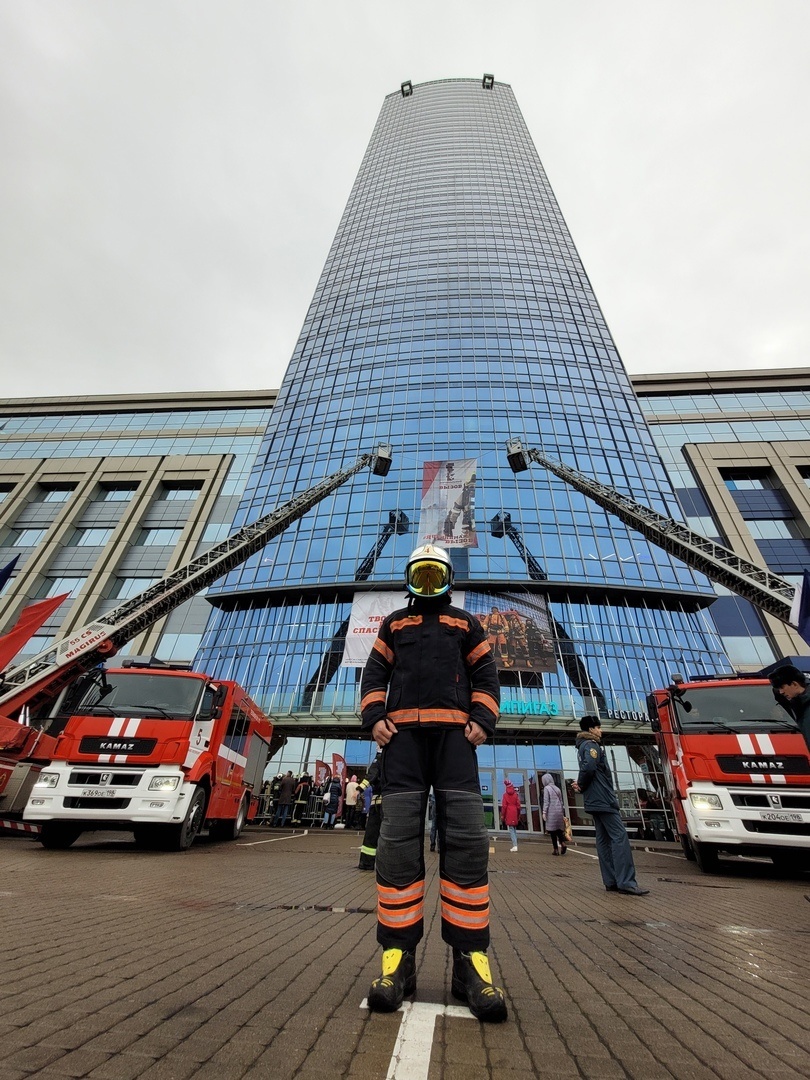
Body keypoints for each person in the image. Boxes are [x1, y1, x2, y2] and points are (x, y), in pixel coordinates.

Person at [360, 544, 507, 1022]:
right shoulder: (393, 624)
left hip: (454, 742)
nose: (426, 586)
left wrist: (483, 719)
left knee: (466, 840)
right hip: (402, 741)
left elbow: (487, 670)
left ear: (446, 579)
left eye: (434, 577)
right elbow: (374, 672)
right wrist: (374, 717)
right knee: (397, 842)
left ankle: (471, 965)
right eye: (419, 578)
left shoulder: (465, 623)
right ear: (409, 581)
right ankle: (396, 961)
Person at [572, 716, 649, 895]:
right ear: (590, 730)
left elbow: (588, 769)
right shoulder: (591, 746)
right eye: (598, 727)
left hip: (594, 800)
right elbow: (589, 767)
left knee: (603, 839)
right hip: (603, 799)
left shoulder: (583, 746)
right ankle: (626, 882)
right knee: (619, 837)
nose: (601, 731)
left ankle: (611, 880)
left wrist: (582, 785)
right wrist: (582, 784)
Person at [769, 664, 810, 752]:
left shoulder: (804, 706)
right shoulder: (799, 704)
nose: (781, 692)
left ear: (794, 684)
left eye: (782, 687)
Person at [357, 750, 382, 869]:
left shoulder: (380, 757)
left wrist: (359, 788)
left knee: (372, 834)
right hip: (394, 801)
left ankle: (366, 863)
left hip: (378, 803)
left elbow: (372, 775)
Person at [541, 773, 566, 855]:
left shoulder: (546, 788)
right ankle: (563, 843)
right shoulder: (557, 789)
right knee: (559, 830)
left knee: (552, 831)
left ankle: (555, 849)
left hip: (551, 812)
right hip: (559, 811)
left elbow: (546, 801)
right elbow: (561, 801)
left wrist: (544, 812)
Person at [500, 780, 521, 852]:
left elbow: (504, 806)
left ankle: (515, 845)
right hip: (514, 812)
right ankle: (515, 844)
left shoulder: (505, 795)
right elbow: (518, 806)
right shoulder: (515, 795)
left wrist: (503, 815)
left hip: (509, 812)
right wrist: (518, 814)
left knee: (511, 829)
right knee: (514, 829)